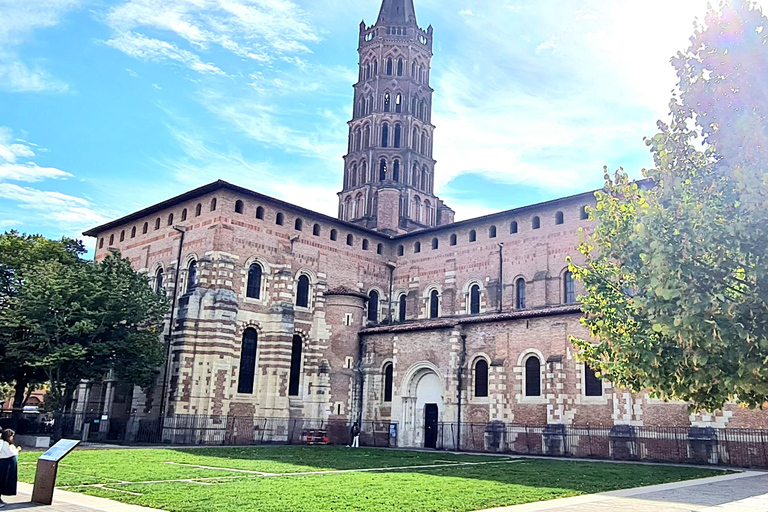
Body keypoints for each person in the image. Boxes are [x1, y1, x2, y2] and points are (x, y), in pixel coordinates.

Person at [0, 429, 20, 508]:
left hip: (7, 466)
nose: (13, 438)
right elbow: (11, 453)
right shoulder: (4, 444)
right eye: (11, 436)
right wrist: (18, 449)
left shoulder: (8, 444)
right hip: (4, 466)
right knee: (2, 481)